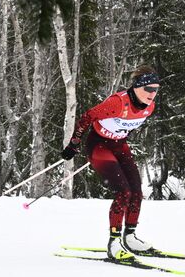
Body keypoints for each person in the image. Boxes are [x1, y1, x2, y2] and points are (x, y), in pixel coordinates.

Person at [61, 66, 161, 260]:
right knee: (124, 191)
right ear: (137, 87)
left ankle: (130, 237)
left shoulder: (150, 107)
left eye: (156, 89)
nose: (152, 94)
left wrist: (121, 134)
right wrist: (74, 144)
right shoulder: (117, 103)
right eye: (148, 89)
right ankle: (114, 243)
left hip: (119, 145)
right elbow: (87, 117)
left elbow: (129, 125)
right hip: (99, 145)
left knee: (136, 191)